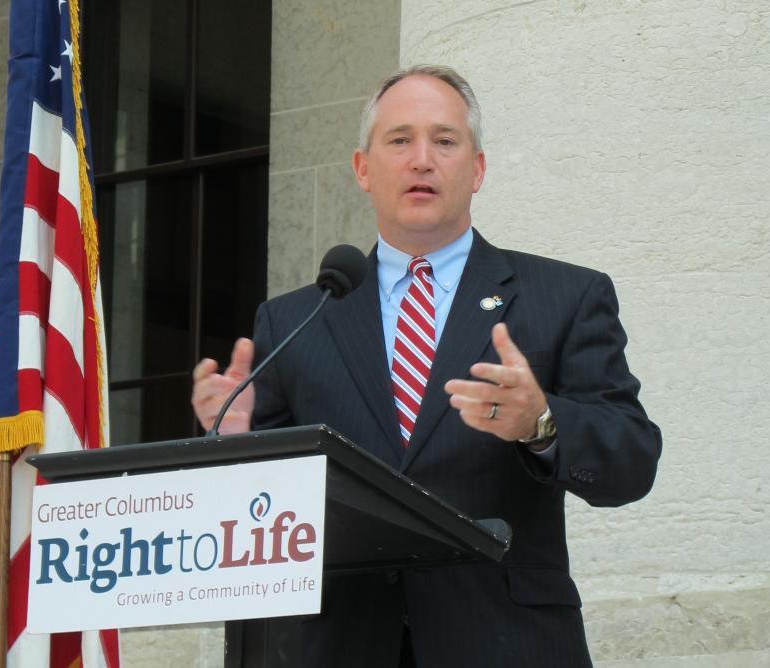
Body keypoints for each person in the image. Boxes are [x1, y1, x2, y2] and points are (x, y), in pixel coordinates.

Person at [192, 65, 661, 668]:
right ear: (363, 169)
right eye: (399, 140)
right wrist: (234, 445)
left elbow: (632, 461)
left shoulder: (565, 297)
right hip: (337, 646)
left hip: (504, 643)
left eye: (444, 140)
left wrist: (541, 423)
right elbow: (259, 518)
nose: (421, 160)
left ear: (478, 169)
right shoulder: (294, 321)